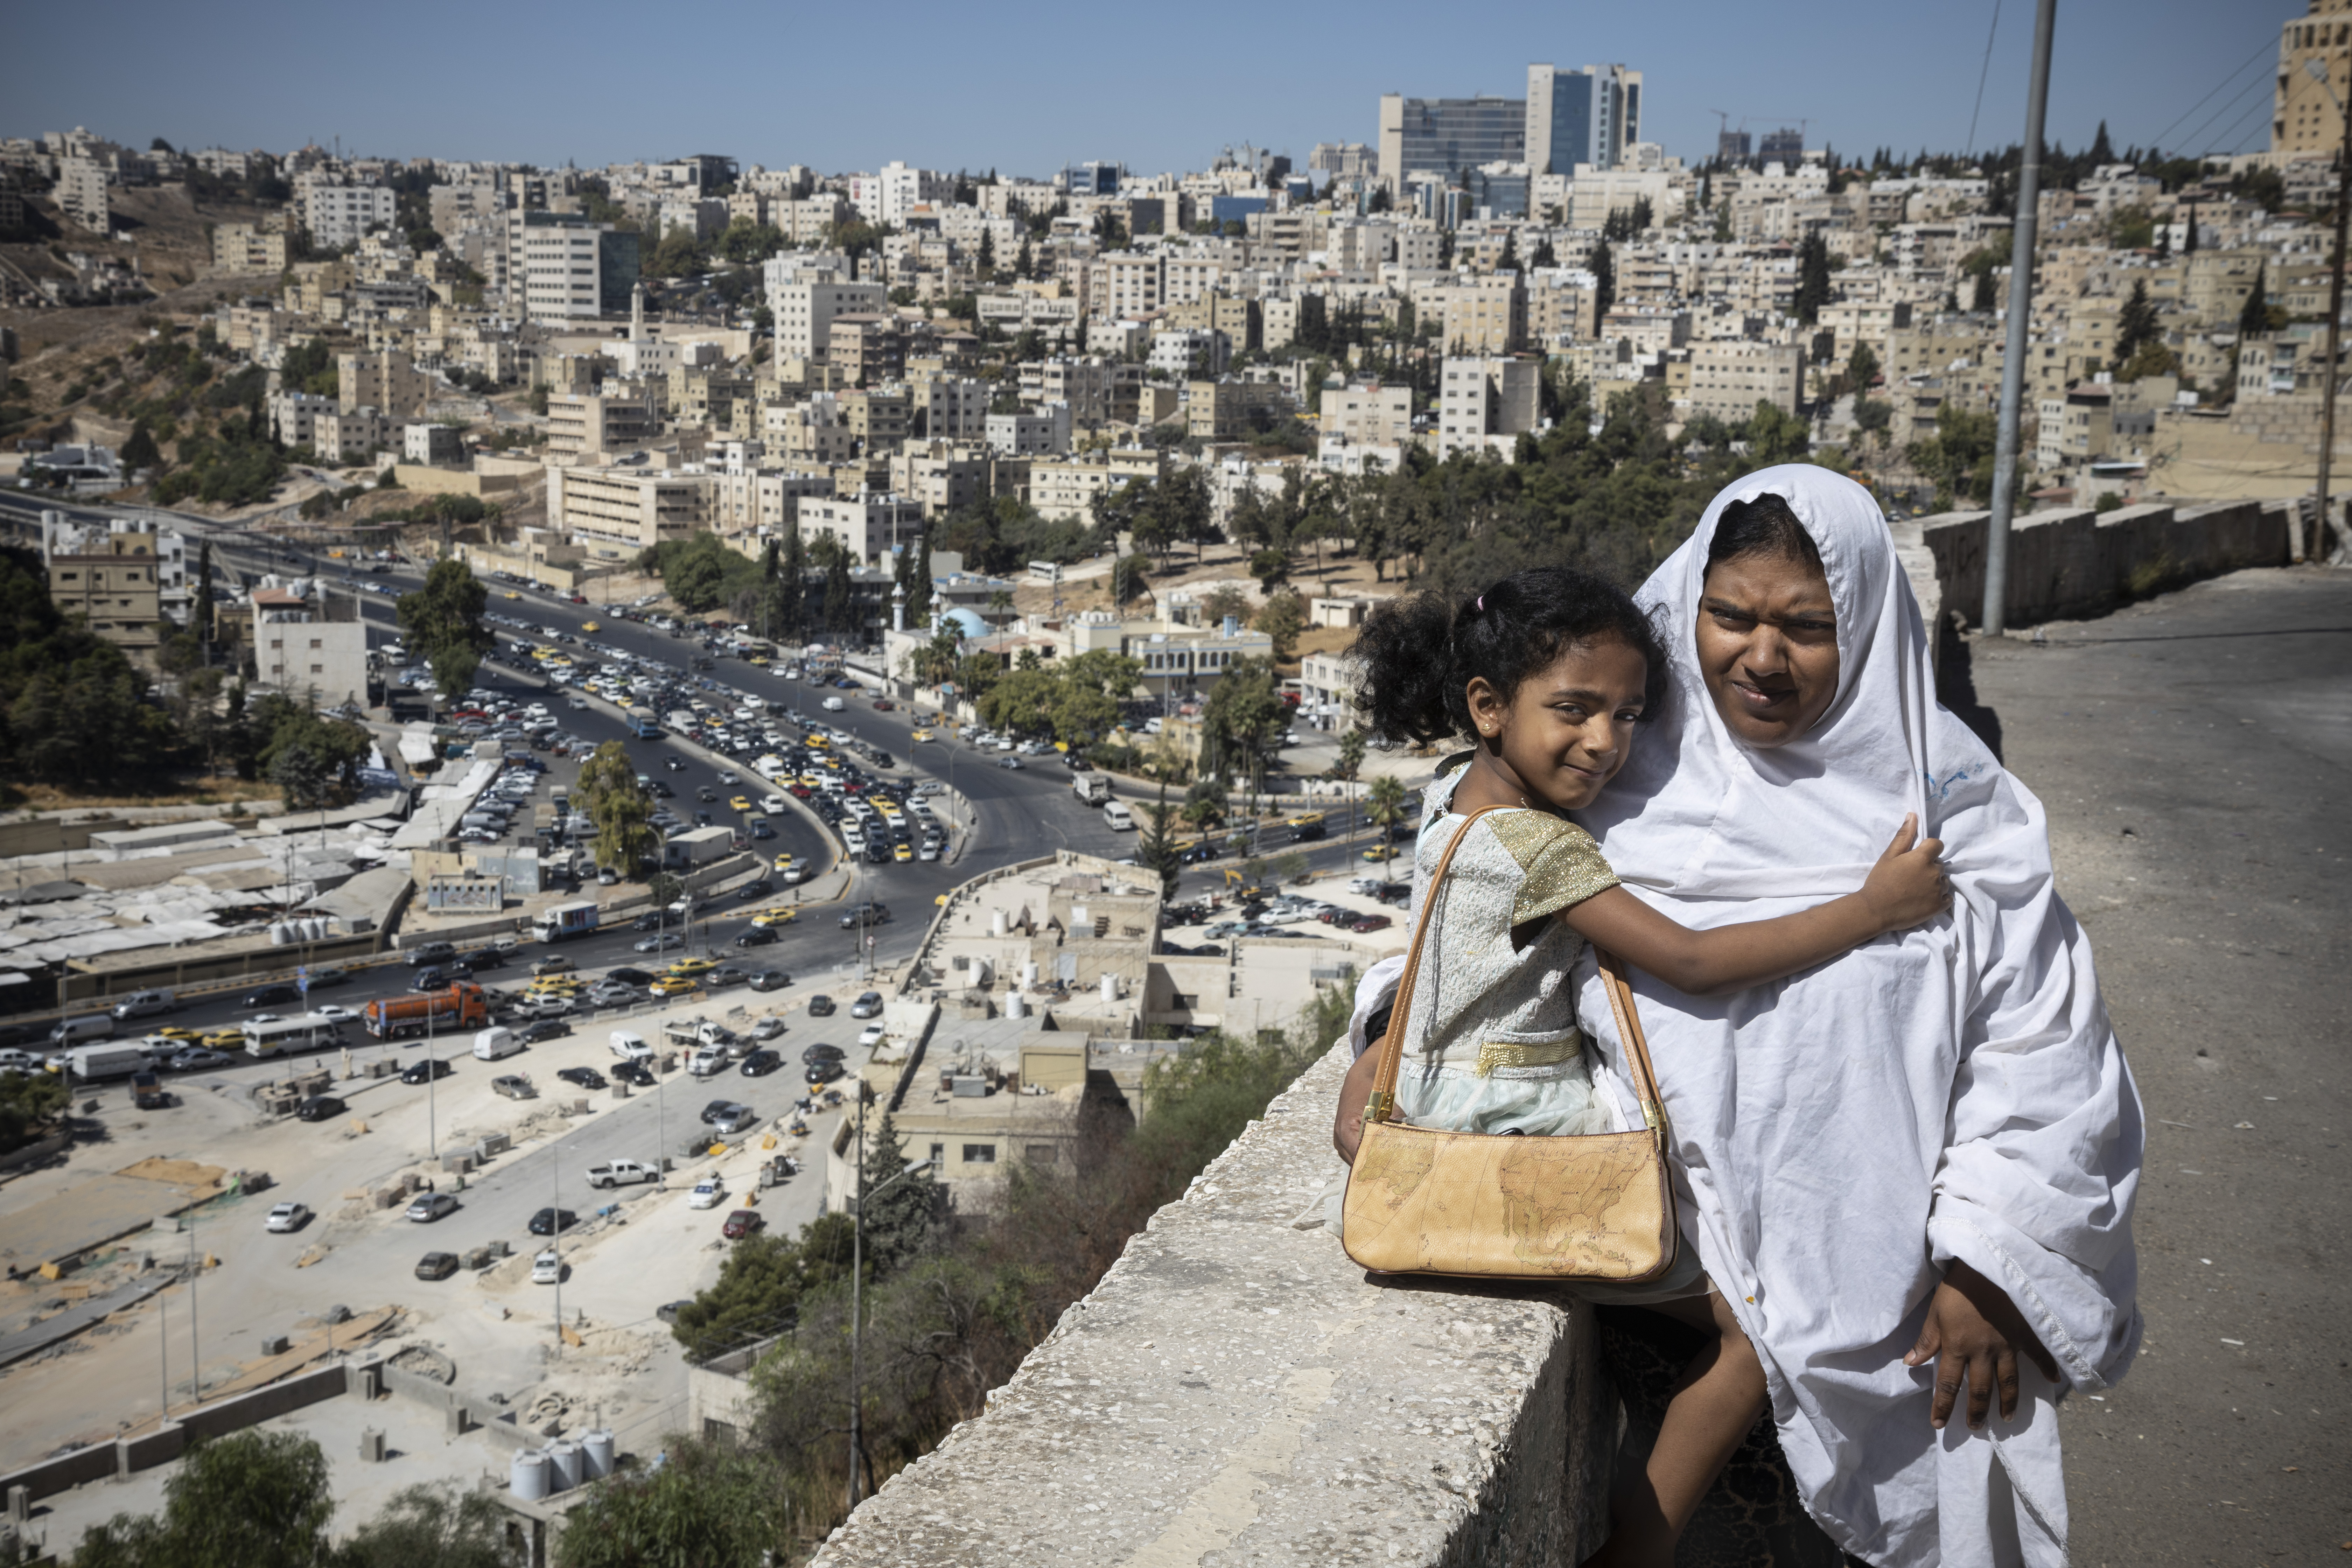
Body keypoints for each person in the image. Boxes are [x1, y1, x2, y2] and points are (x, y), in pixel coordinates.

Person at [1568, 468, 2142, 1565]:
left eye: (1807, 627)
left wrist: (1986, 1262)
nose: (1761, 658)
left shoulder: (1953, 813)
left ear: (1869, 625)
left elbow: (2046, 1048)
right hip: (1656, 1337)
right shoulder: (1615, 780)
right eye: (1731, 615)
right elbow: (1473, 909)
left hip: (1904, 1327)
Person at [1330, 565, 1953, 1567]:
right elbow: (1693, 962)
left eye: (1628, 715)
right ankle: (1640, 1546)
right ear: (1489, 707)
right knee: (1766, 1325)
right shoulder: (1541, 848)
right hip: (1526, 1156)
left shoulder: (1458, 804)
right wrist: (1871, 911)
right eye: (1573, 711)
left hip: (1450, 1131)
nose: (1606, 744)